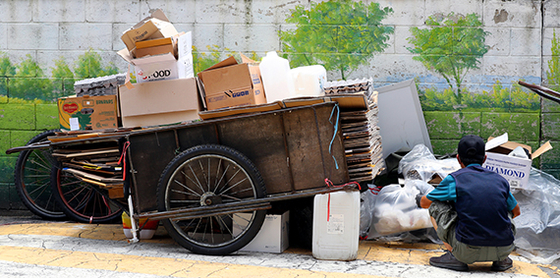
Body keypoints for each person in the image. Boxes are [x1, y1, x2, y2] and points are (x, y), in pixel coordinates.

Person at [419, 134, 521, 271]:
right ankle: (501, 260)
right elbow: (516, 212)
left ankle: (454, 256)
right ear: (484, 159)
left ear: (458, 159)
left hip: (466, 251)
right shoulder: (500, 180)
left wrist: (419, 197)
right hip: (503, 249)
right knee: (504, 208)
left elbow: (425, 203)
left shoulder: (454, 179)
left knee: (436, 205)